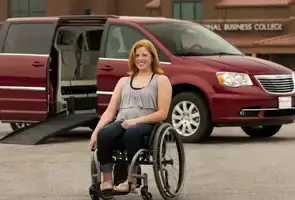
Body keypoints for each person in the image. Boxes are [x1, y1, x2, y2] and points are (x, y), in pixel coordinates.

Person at [89, 39, 172, 193]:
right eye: (137, 55)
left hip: (147, 124)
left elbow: (162, 113)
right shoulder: (123, 81)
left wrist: (136, 121)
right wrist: (96, 132)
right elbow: (110, 111)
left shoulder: (161, 80)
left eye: (144, 55)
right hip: (123, 121)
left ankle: (131, 181)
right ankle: (107, 180)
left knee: (133, 132)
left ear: (152, 57)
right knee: (105, 134)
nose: (140, 58)